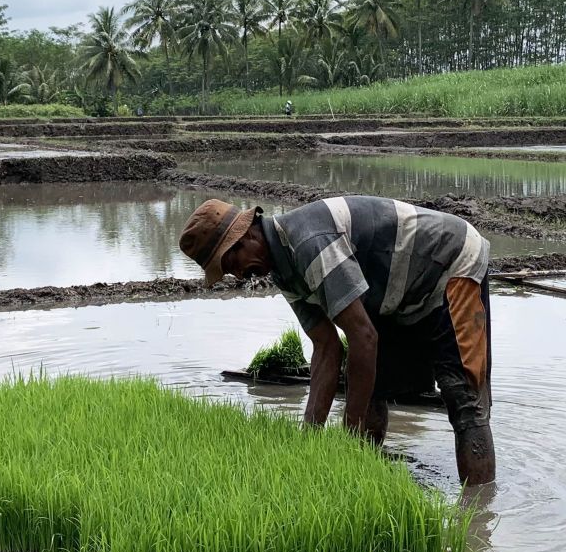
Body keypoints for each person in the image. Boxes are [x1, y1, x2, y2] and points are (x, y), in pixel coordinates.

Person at [178, 196, 496, 485]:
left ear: (247, 235)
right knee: (371, 388)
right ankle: (363, 475)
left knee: (463, 398)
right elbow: (326, 347)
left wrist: (348, 435)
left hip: (451, 263)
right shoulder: (283, 270)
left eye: (230, 263)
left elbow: (363, 336)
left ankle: (479, 520)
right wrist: (310, 440)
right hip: (393, 292)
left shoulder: (309, 243)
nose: (235, 274)